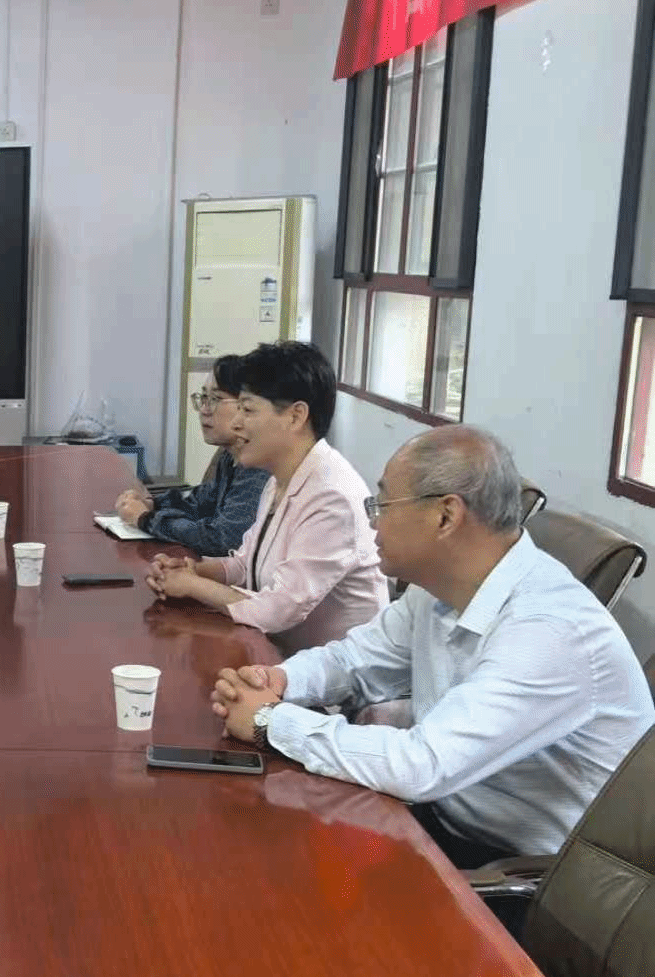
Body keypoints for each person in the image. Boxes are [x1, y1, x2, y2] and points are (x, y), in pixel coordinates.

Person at [210, 426, 655, 864]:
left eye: (382, 504)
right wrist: (279, 680)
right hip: (435, 820)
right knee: (265, 843)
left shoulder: (548, 631)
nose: (373, 521)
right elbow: (354, 660)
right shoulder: (438, 587)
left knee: (297, 875)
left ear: (446, 516)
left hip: (520, 874)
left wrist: (269, 721)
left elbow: (421, 765)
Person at [146, 341, 386, 653]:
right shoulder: (279, 479)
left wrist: (192, 585)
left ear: (295, 416)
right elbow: (246, 564)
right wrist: (193, 569)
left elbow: (276, 611)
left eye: (247, 410)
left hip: (333, 674)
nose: (236, 423)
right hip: (279, 652)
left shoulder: (332, 498)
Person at [113, 353, 268, 555]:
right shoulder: (229, 456)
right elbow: (199, 505)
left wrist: (146, 519)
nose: (204, 410)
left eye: (215, 399)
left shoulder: (258, 466)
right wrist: (152, 505)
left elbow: (222, 539)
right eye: (203, 398)